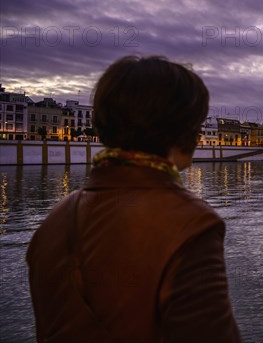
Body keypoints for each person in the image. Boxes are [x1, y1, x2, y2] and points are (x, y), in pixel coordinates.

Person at [27, 56, 241, 343]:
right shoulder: (191, 225)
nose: (200, 133)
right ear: (183, 129)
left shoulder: (54, 221)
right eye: (197, 121)